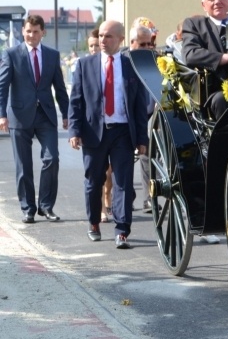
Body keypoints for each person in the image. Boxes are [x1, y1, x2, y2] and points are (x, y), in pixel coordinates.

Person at [68, 20, 149, 249]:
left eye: (109, 36)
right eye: (101, 36)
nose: (103, 40)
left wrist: (142, 138)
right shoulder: (85, 65)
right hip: (94, 132)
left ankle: (122, 231)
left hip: (123, 131)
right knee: (94, 181)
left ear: (121, 40)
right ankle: (94, 222)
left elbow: (139, 105)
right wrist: (74, 130)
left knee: (123, 182)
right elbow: (76, 102)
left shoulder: (130, 65)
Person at [0, 14, 69, 223]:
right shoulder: (11, 54)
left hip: (46, 115)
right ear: (23, 31)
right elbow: (2, 87)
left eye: (36, 31)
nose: (31, 35)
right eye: (28, 31)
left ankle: (46, 206)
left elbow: (59, 88)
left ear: (43, 32)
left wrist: (66, 114)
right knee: (24, 165)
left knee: (52, 159)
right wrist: (1, 115)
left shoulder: (52, 55)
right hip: (19, 116)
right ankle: (28, 208)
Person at [181, 0, 228, 120]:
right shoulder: (195, 25)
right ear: (203, 5)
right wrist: (226, 58)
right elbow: (190, 54)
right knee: (222, 100)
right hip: (217, 89)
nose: (217, 1)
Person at [126, 23, 156, 213]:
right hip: (127, 116)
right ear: (131, 43)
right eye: (142, 44)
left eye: (149, 44)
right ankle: (126, 197)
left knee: (147, 155)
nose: (146, 48)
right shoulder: (123, 61)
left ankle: (148, 198)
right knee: (125, 159)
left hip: (149, 114)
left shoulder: (154, 61)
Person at [87, 28, 114, 222]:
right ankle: (100, 208)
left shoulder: (113, 64)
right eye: (91, 46)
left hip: (114, 125)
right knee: (97, 174)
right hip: (94, 128)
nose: (94, 49)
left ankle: (108, 198)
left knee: (110, 172)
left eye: (96, 45)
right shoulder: (85, 66)